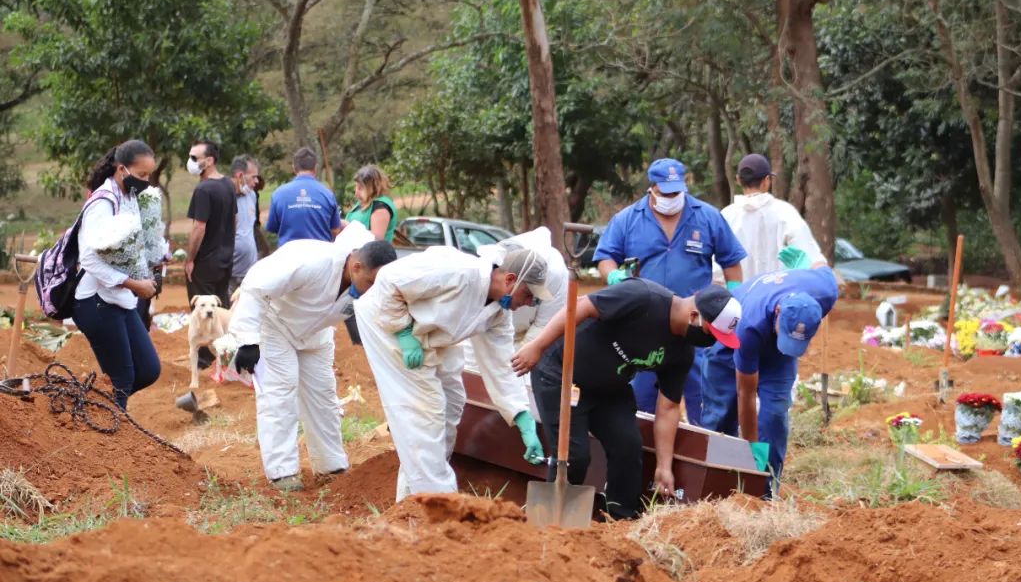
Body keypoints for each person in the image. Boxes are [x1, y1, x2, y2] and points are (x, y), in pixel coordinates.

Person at [510, 279, 742, 520]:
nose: (711, 342)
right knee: (575, 455)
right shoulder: (643, 297)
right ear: (694, 316)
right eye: (710, 334)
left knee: (628, 446)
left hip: (609, 387)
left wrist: (664, 466)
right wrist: (537, 346)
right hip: (563, 374)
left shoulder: (682, 351)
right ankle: (551, 523)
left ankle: (618, 522)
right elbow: (581, 306)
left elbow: (669, 406)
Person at [353, 247, 552, 501]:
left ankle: (412, 498)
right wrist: (402, 331)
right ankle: (439, 503)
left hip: (427, 334)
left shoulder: (499, 315)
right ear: (511, 280)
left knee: (453, 401)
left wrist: (522, 416)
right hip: (387, 323)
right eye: (528, 295)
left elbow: (501, 365)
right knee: (425, 412)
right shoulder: (459, 272)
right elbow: (389, 280)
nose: (528, 303)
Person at [229, 231, 398, 491]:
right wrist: (248, 340)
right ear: (356, 266)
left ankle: (331, 465)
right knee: (280, 392)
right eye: (372, 281)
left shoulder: (363, 284)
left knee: (323, 395)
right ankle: (282, 472)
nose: (375, 289)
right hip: (275, 327)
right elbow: (256, 286)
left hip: (315, 336)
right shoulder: (310, 261)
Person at [593, 158, 746, 426]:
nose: (672, 197)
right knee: (642, 404)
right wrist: (614, 276)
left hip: (696, 325)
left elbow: (731, 262)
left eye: (677, 192)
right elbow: (605, 257)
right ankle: (646, 455)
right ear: (652, 188)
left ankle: (702, 454)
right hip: (644, 328)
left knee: (702, 399)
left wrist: (735, 297)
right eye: (666, 192)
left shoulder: (708, 217)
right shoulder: (628, 220)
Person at [701, 265, 839, 499]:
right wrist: (751, 454)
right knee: (722, 413)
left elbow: (824, 268)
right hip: (733, 338)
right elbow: (746, 394)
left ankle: (764, 492)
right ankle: (714, 488)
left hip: (777, 348)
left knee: (774, 413)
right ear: (777, 311)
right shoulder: (748, 326)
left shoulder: (826, 290)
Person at [71, 140, 162, 409]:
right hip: (95, 301)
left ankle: (97, 410)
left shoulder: (130, 197)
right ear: (122, 169)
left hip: (119, 298)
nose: (146, 181)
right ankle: (109, 435)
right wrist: (134, 283)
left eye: (149, 175)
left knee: (148, 370)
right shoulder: (102, 201)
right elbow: (88, 258)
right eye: (142, 175)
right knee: (122, 378)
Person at [719, 154, 824, 280]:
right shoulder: (785, 212)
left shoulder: (726, 216)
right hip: (778, 295)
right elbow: (810, 257)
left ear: (738, 179)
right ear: (767, 180)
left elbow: (716, 266)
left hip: (739, 296)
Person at [185, 140, 238, 367]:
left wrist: (189, 259)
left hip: (205, 262)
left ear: (210, 160)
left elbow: (199, 227)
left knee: (202, 309)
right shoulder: (228, 184)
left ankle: (205, 359)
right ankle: (227, 355)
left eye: (195, 158)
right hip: (225, 260)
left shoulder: (204, 189)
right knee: (221, 308)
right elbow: (234, 219)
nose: (191, 162)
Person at [266, 147, 343, 244]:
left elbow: (272, 228)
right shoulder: (327, 194)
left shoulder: (278, 194)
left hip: (289, 255)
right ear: (315, 167)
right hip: (320, 255)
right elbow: (335, 230)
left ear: (294, 168)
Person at [228, 155, 260, 296]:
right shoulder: (224, 197)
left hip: (250, 272)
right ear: (240, 175)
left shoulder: (252, 196)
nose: (256, 181)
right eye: (253, 177)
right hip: (230, 273)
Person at [344, 164, 398, 242]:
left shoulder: (381, 207)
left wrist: (346, 226)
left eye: (360, 188)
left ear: (373, 187)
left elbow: (376, 240)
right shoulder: (363, 203)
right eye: (356, 187)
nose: (356, 192)